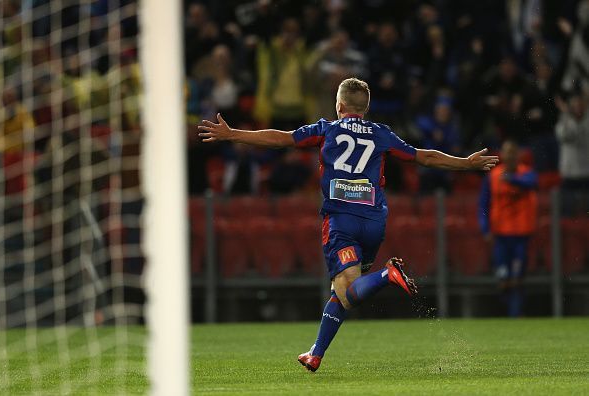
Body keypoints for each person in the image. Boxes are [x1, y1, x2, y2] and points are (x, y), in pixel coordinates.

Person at [199, 78, 498, 372]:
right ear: (364, 109)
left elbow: (282, 138)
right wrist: (466, 163)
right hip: (374, 221)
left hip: (341, 219)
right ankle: (316, 352)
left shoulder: (327, 129)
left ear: (339, 105)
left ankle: (387, 275)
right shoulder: (381, 134)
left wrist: (233, 134)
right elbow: (425, 157)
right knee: (343, 288)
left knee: (348, 289)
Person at [478, 140, 538, 318]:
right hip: (501, 236)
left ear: (518, 155)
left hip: (521, 234)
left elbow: (532, 183)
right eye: (507, 152)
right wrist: (484, 228)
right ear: (502, 155)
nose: (510, 156)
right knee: (503, 279)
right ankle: (510, 311)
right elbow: (483, 204)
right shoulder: (493, 176)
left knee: (517, 279)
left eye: (513, 152)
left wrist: (511, 179)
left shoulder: (526, 173)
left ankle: (515, 314)